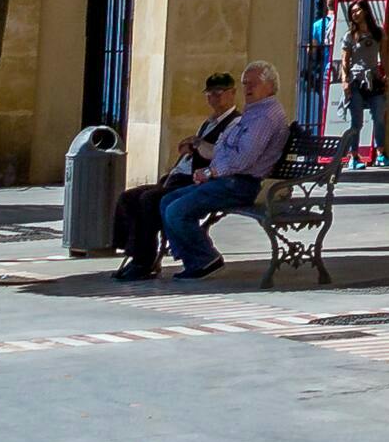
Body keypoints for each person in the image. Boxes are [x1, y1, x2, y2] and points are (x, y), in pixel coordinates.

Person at [153, 61, 291, 283]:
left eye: (253, 84)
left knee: (176, 210)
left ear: (270, 86)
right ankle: (194, 257)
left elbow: (243, 160)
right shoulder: (254, 112)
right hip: (228, 179)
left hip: (239, 183)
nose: (248, 88)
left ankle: (204, 259)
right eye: (245, 83)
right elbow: (224, 149)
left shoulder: (265, 117)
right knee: (167, 200)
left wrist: (210, 172)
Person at [109, 73, 243, 282]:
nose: (214, 98)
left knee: (150, 200)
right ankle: (132, 252)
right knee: (128, 197)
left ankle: (144, 260)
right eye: (209, 94)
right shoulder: (208, 123)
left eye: (219, 93)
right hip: (178, 176)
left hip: (198, 180)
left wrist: (197, 145)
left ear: (232, 93)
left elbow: (221, 153)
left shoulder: (235, 123)